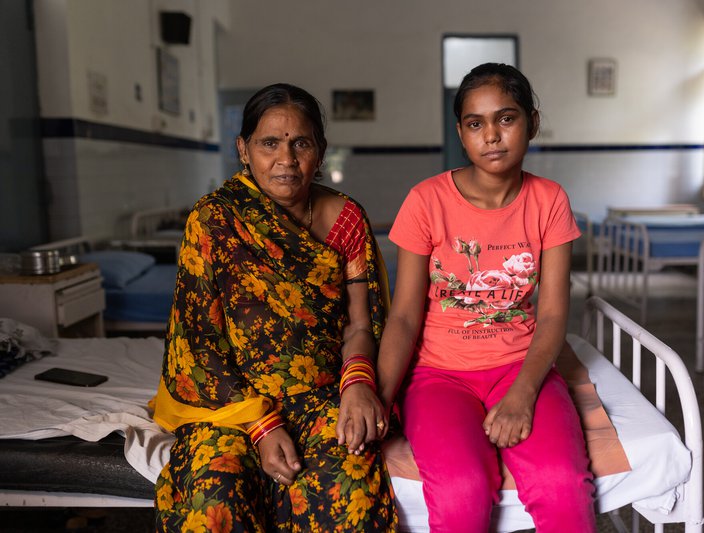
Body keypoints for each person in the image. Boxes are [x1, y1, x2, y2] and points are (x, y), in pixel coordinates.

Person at [152, 83, 397, 532]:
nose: (286, 159)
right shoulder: (214, 219)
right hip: (231, 405)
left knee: (351, 486)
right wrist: (261, 425)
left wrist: (357, 384)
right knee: (215, 496)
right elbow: (198, 345)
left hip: (321, 395)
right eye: (269, 143)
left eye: (300, 143)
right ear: (243, 150)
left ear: (319, 152)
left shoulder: (346, 218)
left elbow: (361, 324)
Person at [376, 63, 596, 532]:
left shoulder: (549, 200)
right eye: (475, 124)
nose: (491, 136)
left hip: (521, 365)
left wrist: (523, 392)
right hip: (439, 376)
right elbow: (403, 318)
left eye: (506, 118)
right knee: (461, 491)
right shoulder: (425, 201)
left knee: (562, 485)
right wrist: (381, 398)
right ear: (461, 132)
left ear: (532, 122)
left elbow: (554, 312)